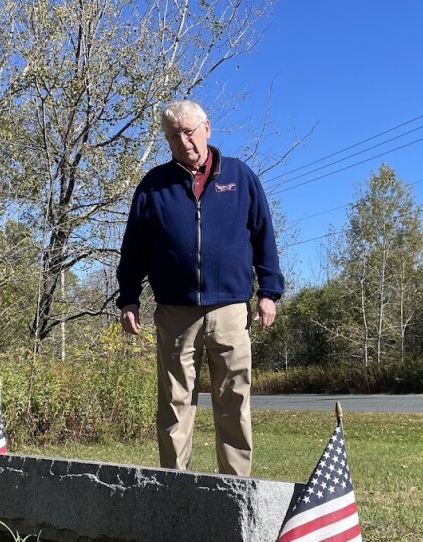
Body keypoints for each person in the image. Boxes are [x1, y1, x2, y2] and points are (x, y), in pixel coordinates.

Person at [116, 99, 284, 476]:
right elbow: (134, 249)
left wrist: (269, 292)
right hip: (175, 313)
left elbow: (263, 237)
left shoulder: (240, 178)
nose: (183, 142)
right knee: (175, 404)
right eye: (173, 136)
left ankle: (235, 488)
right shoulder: (153, 186)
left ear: (207, 127)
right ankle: (175, 489)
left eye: (188, 132)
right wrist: (128, 298)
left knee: (234, 400)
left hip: (230, 309)